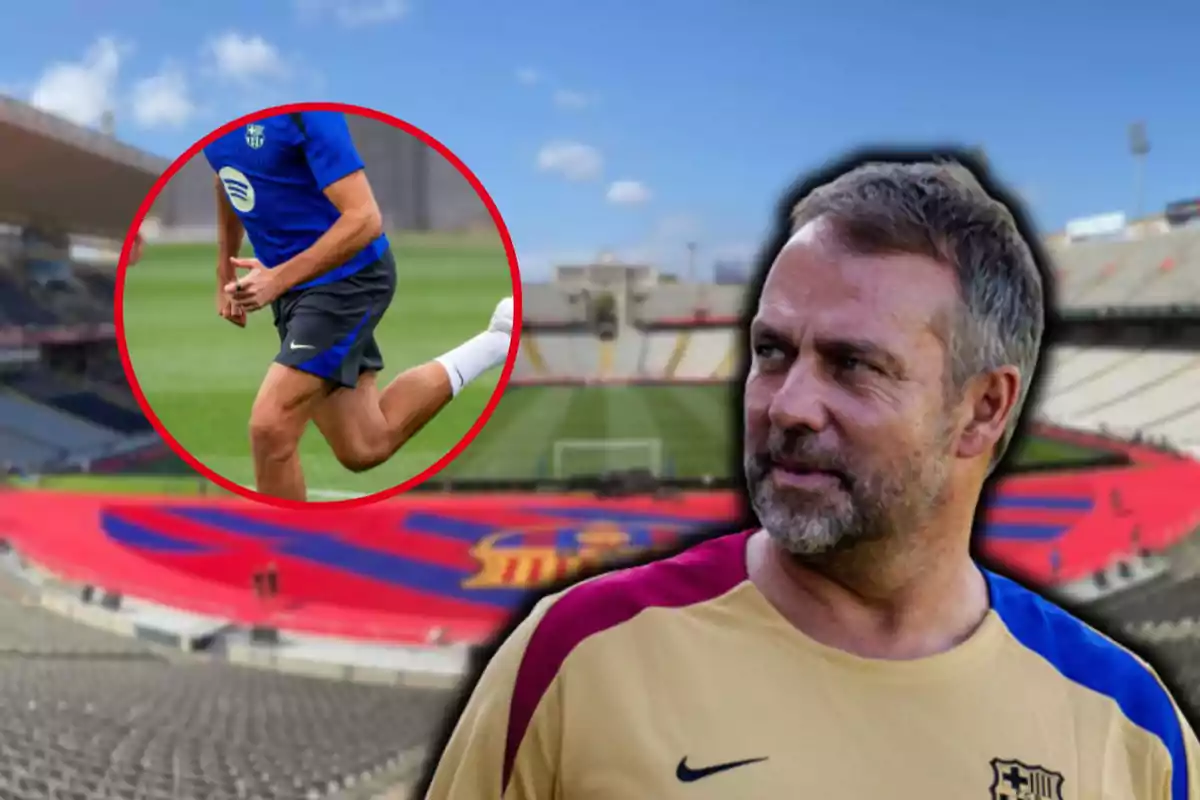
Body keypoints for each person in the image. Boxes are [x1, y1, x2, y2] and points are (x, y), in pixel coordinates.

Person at [421, 157, 1199, 798]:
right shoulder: (576, 658)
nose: (788, 405)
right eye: (772, 352)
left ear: (983, 409)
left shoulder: (1130, 729)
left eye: (852, 364)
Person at [201, 110, 512, 501]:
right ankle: (499, 340)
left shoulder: (309, 115)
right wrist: (224, 269)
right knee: (364, 445)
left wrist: (278, 278)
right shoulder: (218, 116)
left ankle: (283, 552)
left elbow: (365, 219)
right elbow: (227, 176)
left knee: (270, 426)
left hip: (347, 279)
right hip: (294, 288)